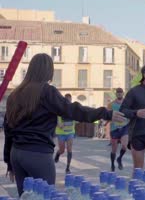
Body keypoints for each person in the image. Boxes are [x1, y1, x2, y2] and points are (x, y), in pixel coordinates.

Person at [3, 53, 125, 195]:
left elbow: (8, 129)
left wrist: (9, 162)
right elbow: (72, 110)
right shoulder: (47, 91)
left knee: (24, 196)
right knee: (45, 196)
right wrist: (105, 113)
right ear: (48, 71)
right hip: (38, 153)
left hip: (17, 153)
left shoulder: (14, 94)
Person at [107, 87, 129, 172]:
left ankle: (119, 158)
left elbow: (129, 113)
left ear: (123, 94)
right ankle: (112, 164)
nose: (119, 94)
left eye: (121, 92)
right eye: (118, 93)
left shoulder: (126, 103)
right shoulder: (111, 104)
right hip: (114, 129)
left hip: (124, 127)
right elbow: (107, 115)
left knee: (124, 146)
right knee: (114, 149)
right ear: (116, 94)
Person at [54, 93, 75, 174]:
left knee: (69, 149)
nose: (68, 102)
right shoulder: (59, 110)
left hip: (70, 132)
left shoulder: (73, 110)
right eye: (66, 100)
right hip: (61, 133)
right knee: (62, 150)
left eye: (69, 100)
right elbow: (59, 125)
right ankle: (58, 154)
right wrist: (62, 124)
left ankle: (67, 168)